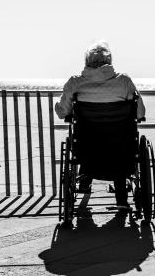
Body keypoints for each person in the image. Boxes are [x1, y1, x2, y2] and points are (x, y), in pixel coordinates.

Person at [55, 41, 145, 212]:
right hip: (121, 149)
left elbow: (62, 112)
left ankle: (85, 179)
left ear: (86, 62)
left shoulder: (75, 83)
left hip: (87, 148)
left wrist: (57, 107)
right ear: (110, 61)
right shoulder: (124, 81)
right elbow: (140, 113)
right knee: (117, 142)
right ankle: (122, 200)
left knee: (88, 138)